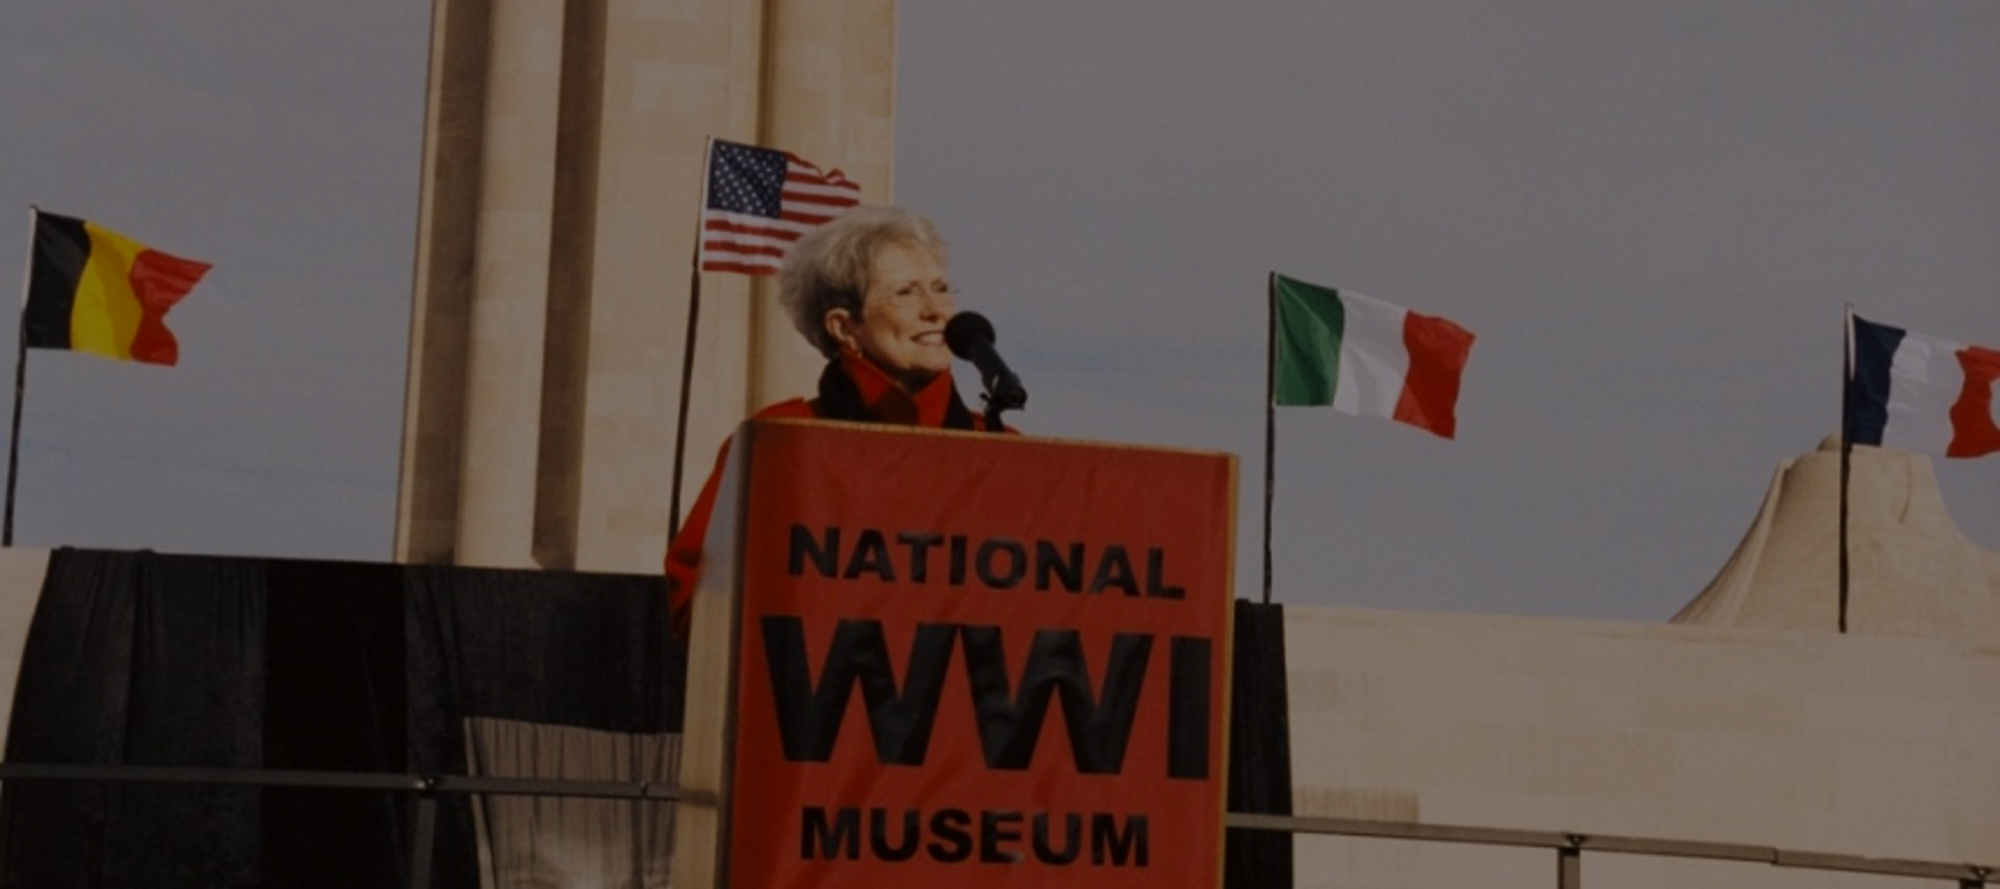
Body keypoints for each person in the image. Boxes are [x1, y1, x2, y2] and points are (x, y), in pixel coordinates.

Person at [664, 205, 1011, 630]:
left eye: (940, 288)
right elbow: (697, 599)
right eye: (905, 292)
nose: (935, 310)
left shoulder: (1001, 446)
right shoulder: (781, 440)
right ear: (845, 328)